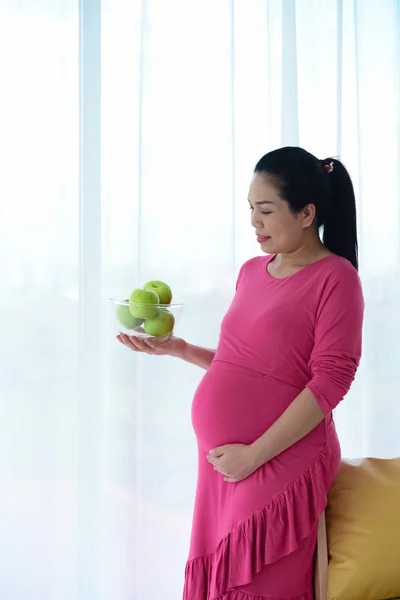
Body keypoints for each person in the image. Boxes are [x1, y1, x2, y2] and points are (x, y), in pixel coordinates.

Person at [117, 146, 364, 600]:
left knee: (254, 582)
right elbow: (250, 366)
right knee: (221, 577)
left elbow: (331, 381)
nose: (254, 223)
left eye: (266, 210)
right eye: (251, 209)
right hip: (225, 464)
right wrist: (180, 349)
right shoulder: (252, 271)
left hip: (282, 456)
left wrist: (255, 455)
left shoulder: (336, 278)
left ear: (306, 213)